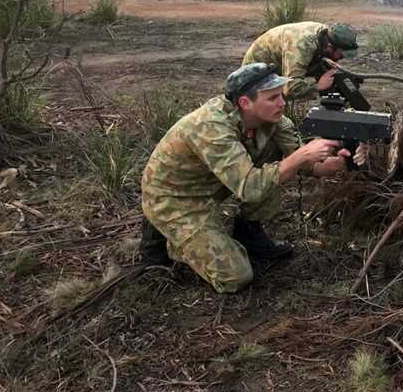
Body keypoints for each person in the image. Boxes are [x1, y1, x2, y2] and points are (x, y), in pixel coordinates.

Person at [138, 62, 368, 293]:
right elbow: (250, 188)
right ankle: (168, 237)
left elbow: (312, 168)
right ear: (245, 102)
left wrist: (342, 162)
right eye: (272, 98)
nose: (282, 103)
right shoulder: (211, 127)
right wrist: (300, 155)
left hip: (212, 186)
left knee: (279, 159)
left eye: (281, 95)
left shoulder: (274, 120)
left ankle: (248, 232)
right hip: (172, 197)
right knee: (235, 278)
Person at [241, 21, 358, 102]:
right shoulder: (301, 46)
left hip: (280, 62)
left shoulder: (326, 34)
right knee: (274, 107)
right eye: (341, 54)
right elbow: (291, 88)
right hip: (257, 72)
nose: (342, 58)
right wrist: (318, 87)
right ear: (329, 46)